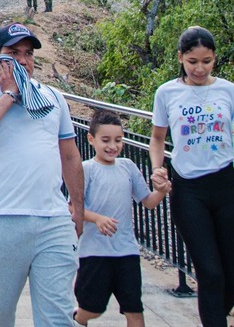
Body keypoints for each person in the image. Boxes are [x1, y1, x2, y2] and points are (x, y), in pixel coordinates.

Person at [0, 23, 84, 327]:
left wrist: (78, 208)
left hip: (53, 221)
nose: (23, 60)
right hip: (1, 220)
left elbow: (69, 155)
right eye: (13, 53)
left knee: (58, 319)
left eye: (28, 54)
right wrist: (10, 94)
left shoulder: (52, 97)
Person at [150, 26, 234, 327]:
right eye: (193, 61)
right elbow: (157, 138)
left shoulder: (229, 91)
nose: (200, 68)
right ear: (180, 58)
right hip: (189, 190)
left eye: (207, 61)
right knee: (210, 273)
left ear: (214, 59)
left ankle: (214, 316)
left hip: (228, 186)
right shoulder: (167, 93)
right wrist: (158, 168)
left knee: (231, 277)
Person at [73, 110, 169, 327]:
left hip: (127, 251)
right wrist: (97, 218)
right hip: (95, 252)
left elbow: (148, 201)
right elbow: (73, 208)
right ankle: (78, 318)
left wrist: (162, 191)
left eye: (118, 140)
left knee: (134, 310)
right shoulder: (86, 169)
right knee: (92, 309)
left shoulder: (128, 166)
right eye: (106, 140)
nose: (112, 146)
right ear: (91, 139)